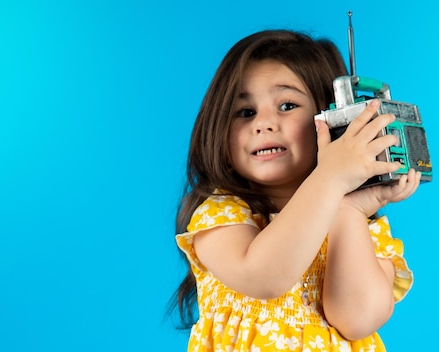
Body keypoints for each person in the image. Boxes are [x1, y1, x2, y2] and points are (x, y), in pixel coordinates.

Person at [171, 29, 421, 351]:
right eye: (246, 112)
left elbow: (357, 319)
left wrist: (349, 209)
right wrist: (331, 178)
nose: (263, 123)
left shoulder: (363, 229)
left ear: (332, 118)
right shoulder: (221, 213)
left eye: (287, 105)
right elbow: (264, 277)